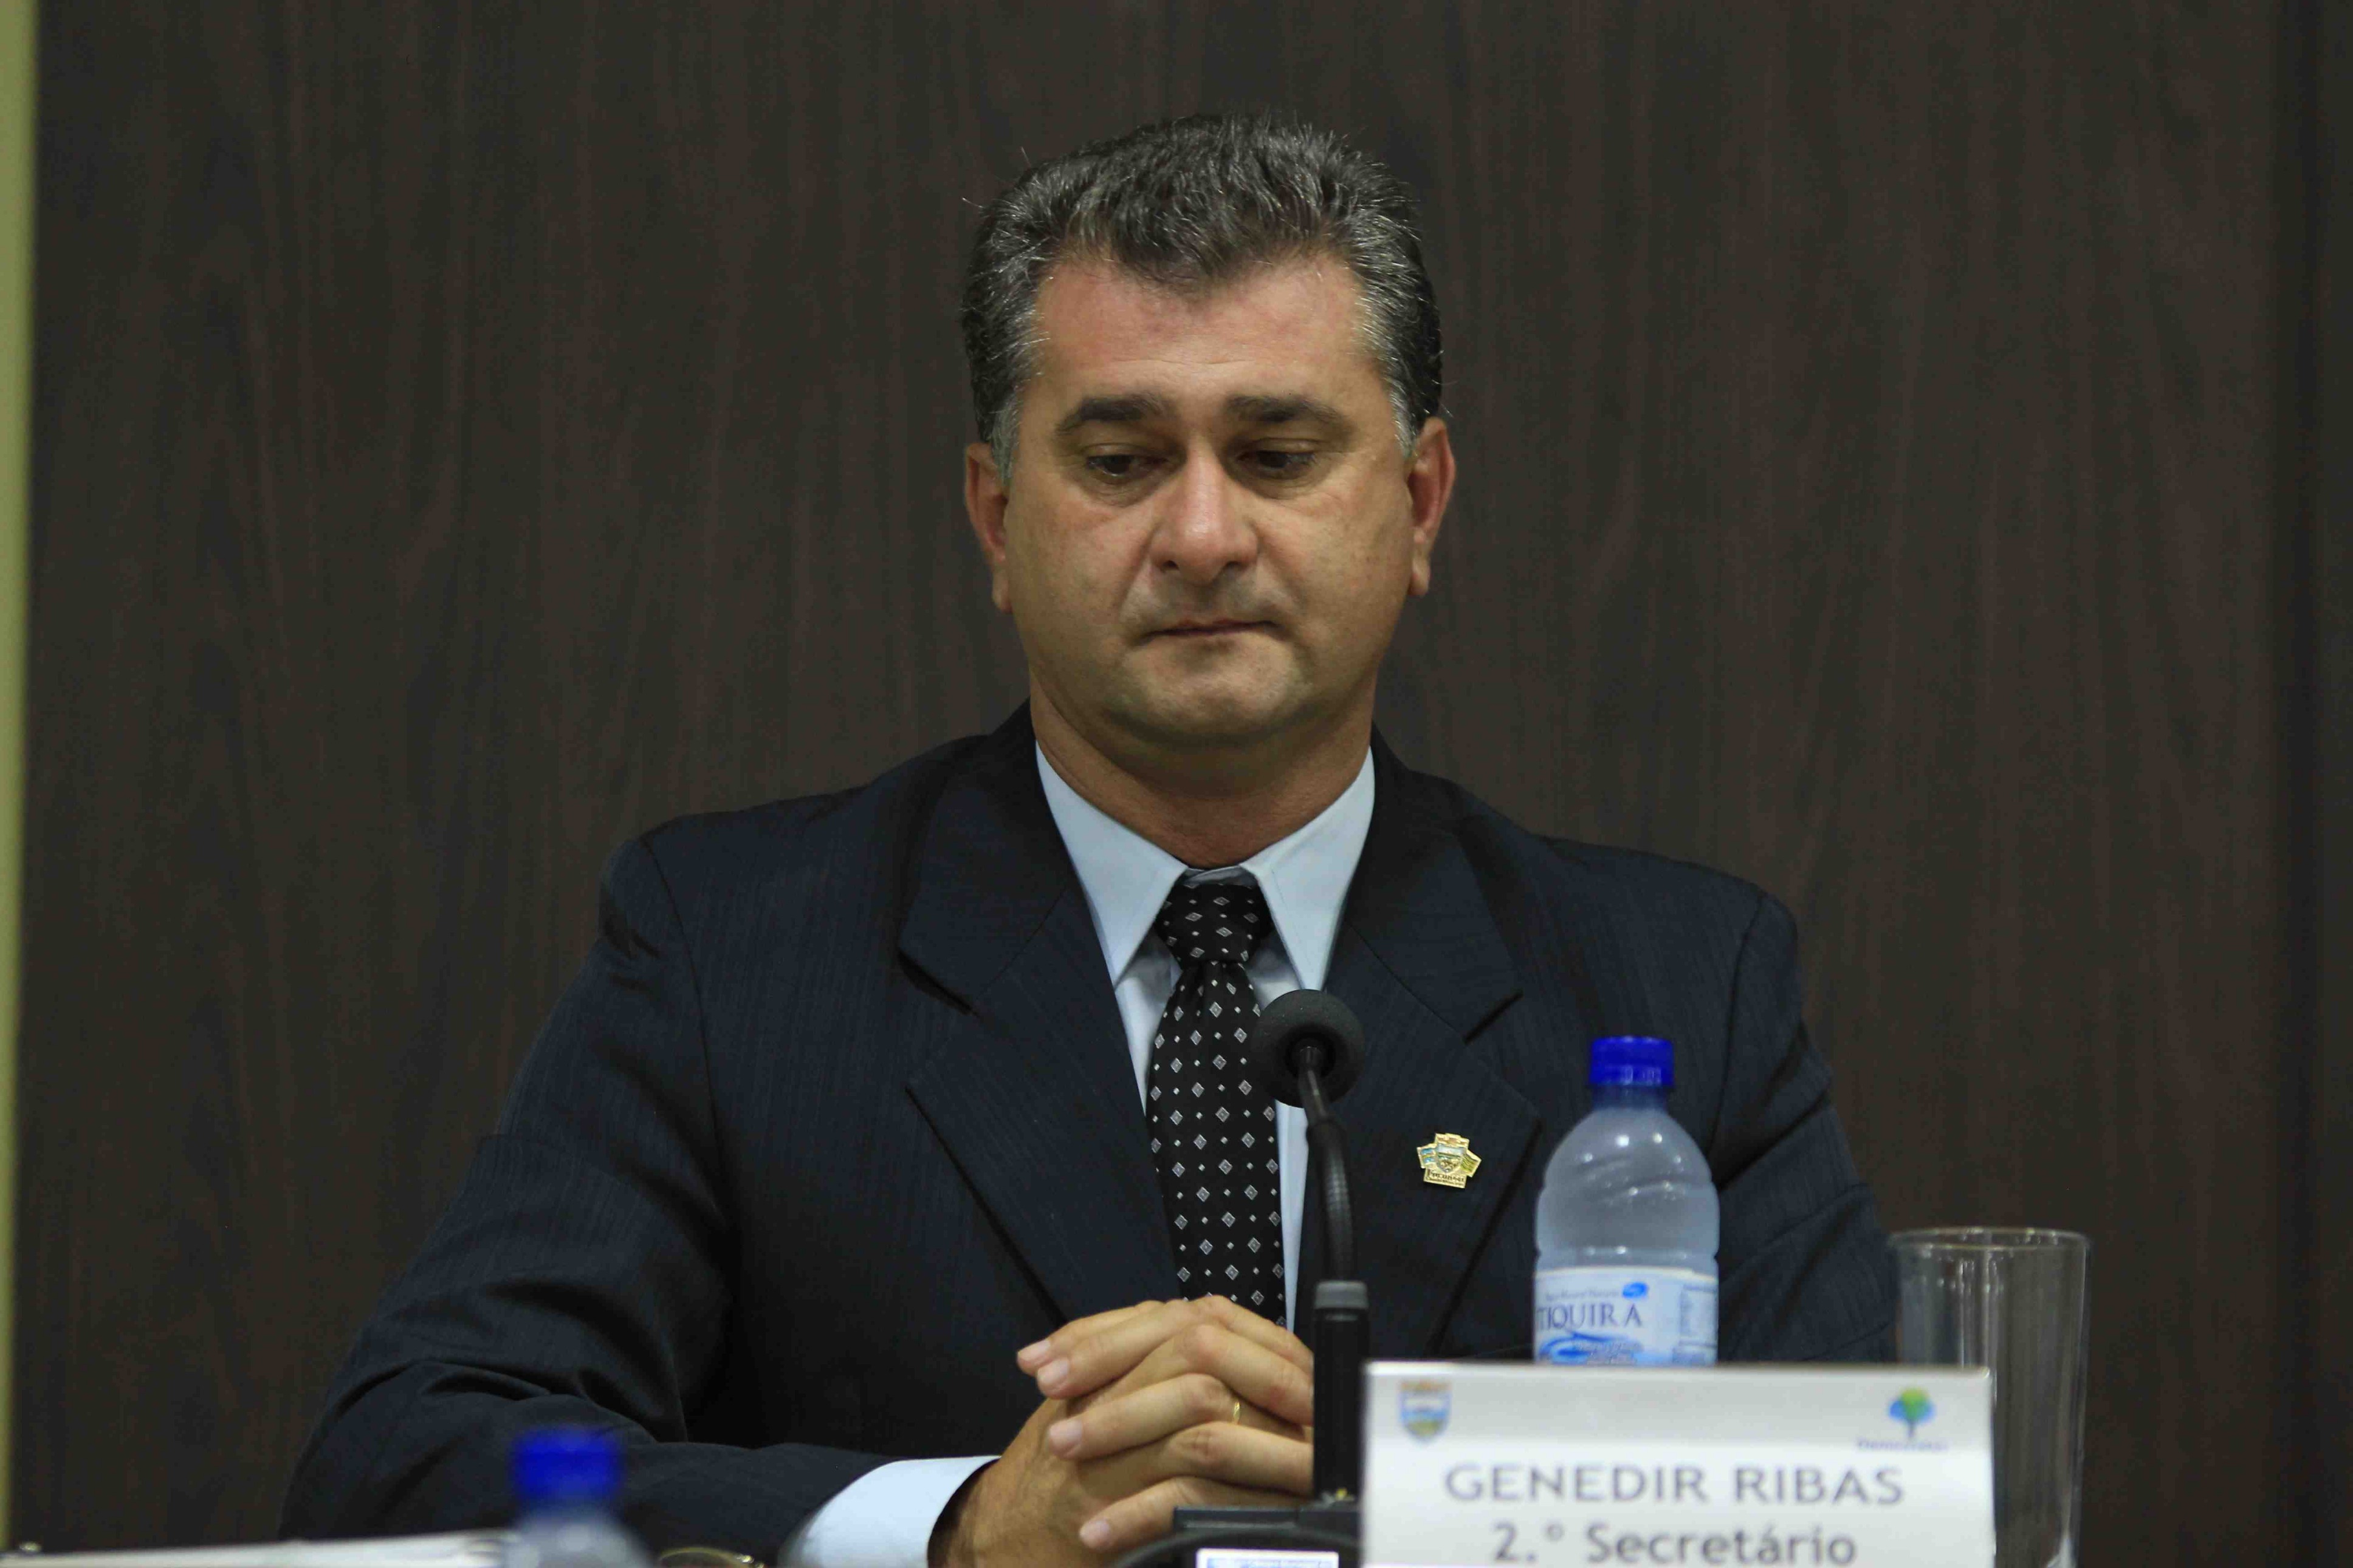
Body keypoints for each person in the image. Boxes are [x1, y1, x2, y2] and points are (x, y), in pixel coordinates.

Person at [283, 114, 1894, 1568]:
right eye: (1121, 464)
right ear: (997, 518)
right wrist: (953, 1531)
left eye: (1278, 456)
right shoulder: (737, 953)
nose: (1200, 535)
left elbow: (1872, 1505)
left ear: (1420, 503)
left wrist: (1420, 1501)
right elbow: (405, 1457)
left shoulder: (1681, 981)